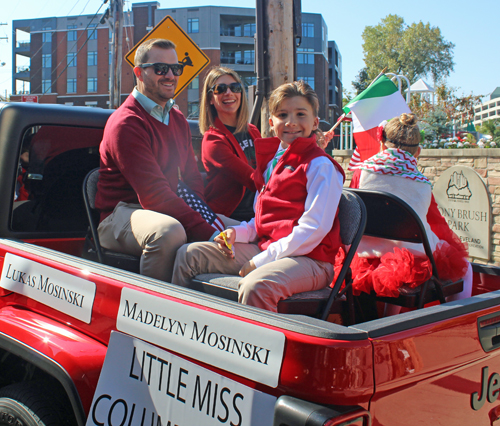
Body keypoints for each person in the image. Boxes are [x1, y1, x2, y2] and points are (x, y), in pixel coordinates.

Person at [172, 80, 345, 312]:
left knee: (256, 286)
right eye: (283, 114)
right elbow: (262, 221)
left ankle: (252, 347)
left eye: (300, 114)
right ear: (272, 123)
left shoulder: (320, 165)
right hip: (269, 248)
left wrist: (262, 260)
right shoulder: (273, 163)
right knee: (188, 255)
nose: (291, 122)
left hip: (311, 260)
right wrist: (239, 233)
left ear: (315, 122)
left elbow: (314, 229)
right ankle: (184, 329)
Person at [95, 38, 219, 283]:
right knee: (169, 232)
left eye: (176, 69)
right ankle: (156, 311)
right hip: (120, 214)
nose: (170, 75)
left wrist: (207, 219)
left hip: (161, 209)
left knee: (239, 227)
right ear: (139, 72)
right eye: (161, 69)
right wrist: (208, 232)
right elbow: (153, 194)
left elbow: (192, 178)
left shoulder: (177, 117)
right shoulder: (127, 122)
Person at [349, 113, 472, 313]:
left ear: (381, 143)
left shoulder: (360, 173)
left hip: (364, 254)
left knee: (394, 272)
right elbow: (436, 223)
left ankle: (386, 321)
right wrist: (451, 250)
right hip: (409, 258)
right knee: (466, 269)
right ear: (418, 152)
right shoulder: (421, 184)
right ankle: (454, 319)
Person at [199, 66, 262, 222]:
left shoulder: (252, 130)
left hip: (257, 212)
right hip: (230, 218)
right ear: (210, 99)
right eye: (220, 89)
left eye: (235, 87)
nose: (229, 93)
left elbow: (273, 162)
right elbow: (252, 178)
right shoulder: (213, 141)